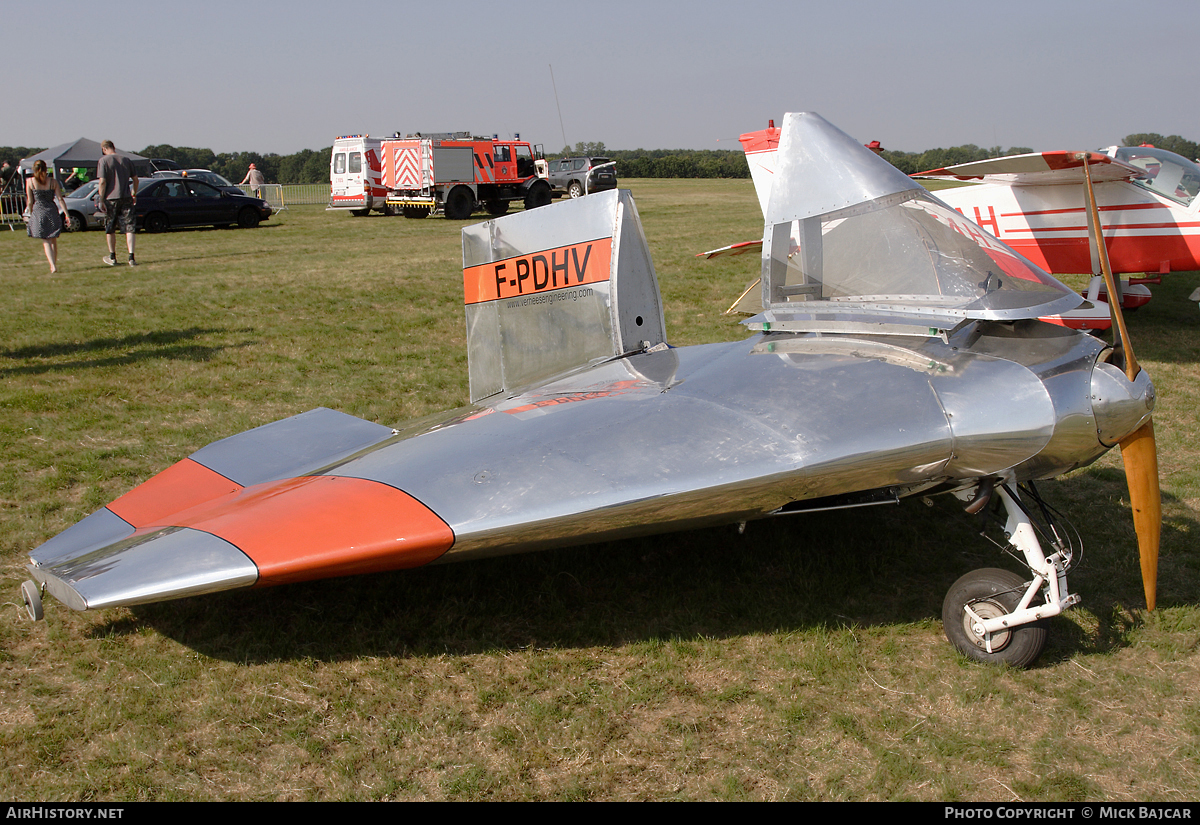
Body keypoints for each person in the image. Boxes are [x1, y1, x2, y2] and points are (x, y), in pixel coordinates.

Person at [96, 140, 138, 266]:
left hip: (110, 198)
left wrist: (101, 198)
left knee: (110, 228)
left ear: (104, 149)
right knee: (129, 227)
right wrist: (134, 193)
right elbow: (135, 179)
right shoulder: (126, 159)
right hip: (126, 196)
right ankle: (131, 257)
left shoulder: (103, 161)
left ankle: (112, 256)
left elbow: (102, 182)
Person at [25, 159, 69, 273]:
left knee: (46, 241)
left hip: (39, 212)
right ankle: (54, 263)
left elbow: (30, 201)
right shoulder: (53, 182)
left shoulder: (30, 181)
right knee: (53, 239)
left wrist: (30, 214)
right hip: (52, 211)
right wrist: (67, 214)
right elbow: (60, 199)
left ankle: (52, 265)